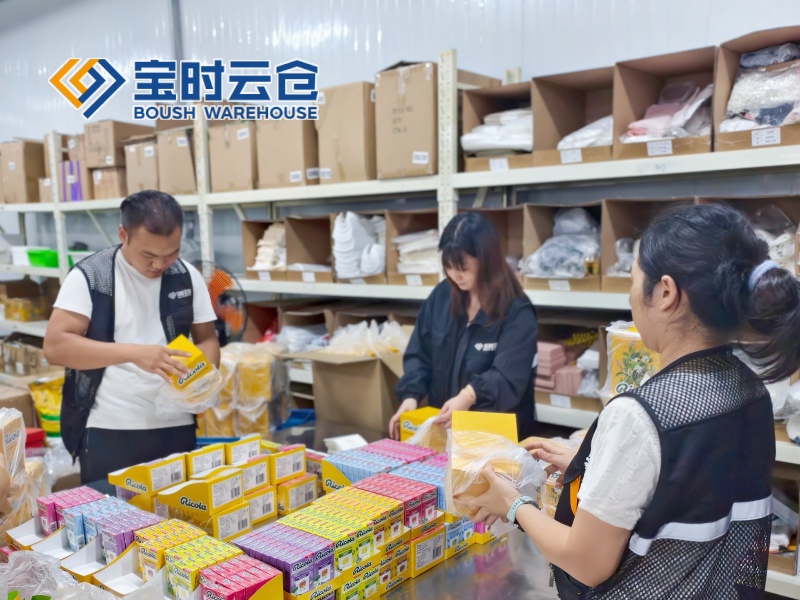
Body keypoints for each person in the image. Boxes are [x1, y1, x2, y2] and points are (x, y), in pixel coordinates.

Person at [457, 203, 800, 598]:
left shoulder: (639, 416)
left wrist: (513, 502)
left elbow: (586, 563)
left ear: (666, 293)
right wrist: (597, 465)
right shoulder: (751, 391)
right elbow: (691, 490)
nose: (632, 296)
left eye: (634, 280)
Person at [44, 190, 220, 484]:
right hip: (110, 427)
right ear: (123, 235)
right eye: (148, 255)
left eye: (171, 253)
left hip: (176, 422)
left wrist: (202, 378)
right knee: (111, 511)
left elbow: (207, 339)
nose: (160, 265)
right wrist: (135, 353)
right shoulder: (91, 276)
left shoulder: (187, 276)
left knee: (176, 511)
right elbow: (55, 346)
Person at [389, 212, 538, 440]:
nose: (455, 275)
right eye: (448, 267)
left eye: (463, 267)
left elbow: (508, 376)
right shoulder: (442, 297)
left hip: (495, 439)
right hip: (447, 431)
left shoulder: (517, 310)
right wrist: (411, 396)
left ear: (486, 261)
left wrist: (470, 395)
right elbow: (420, 353)